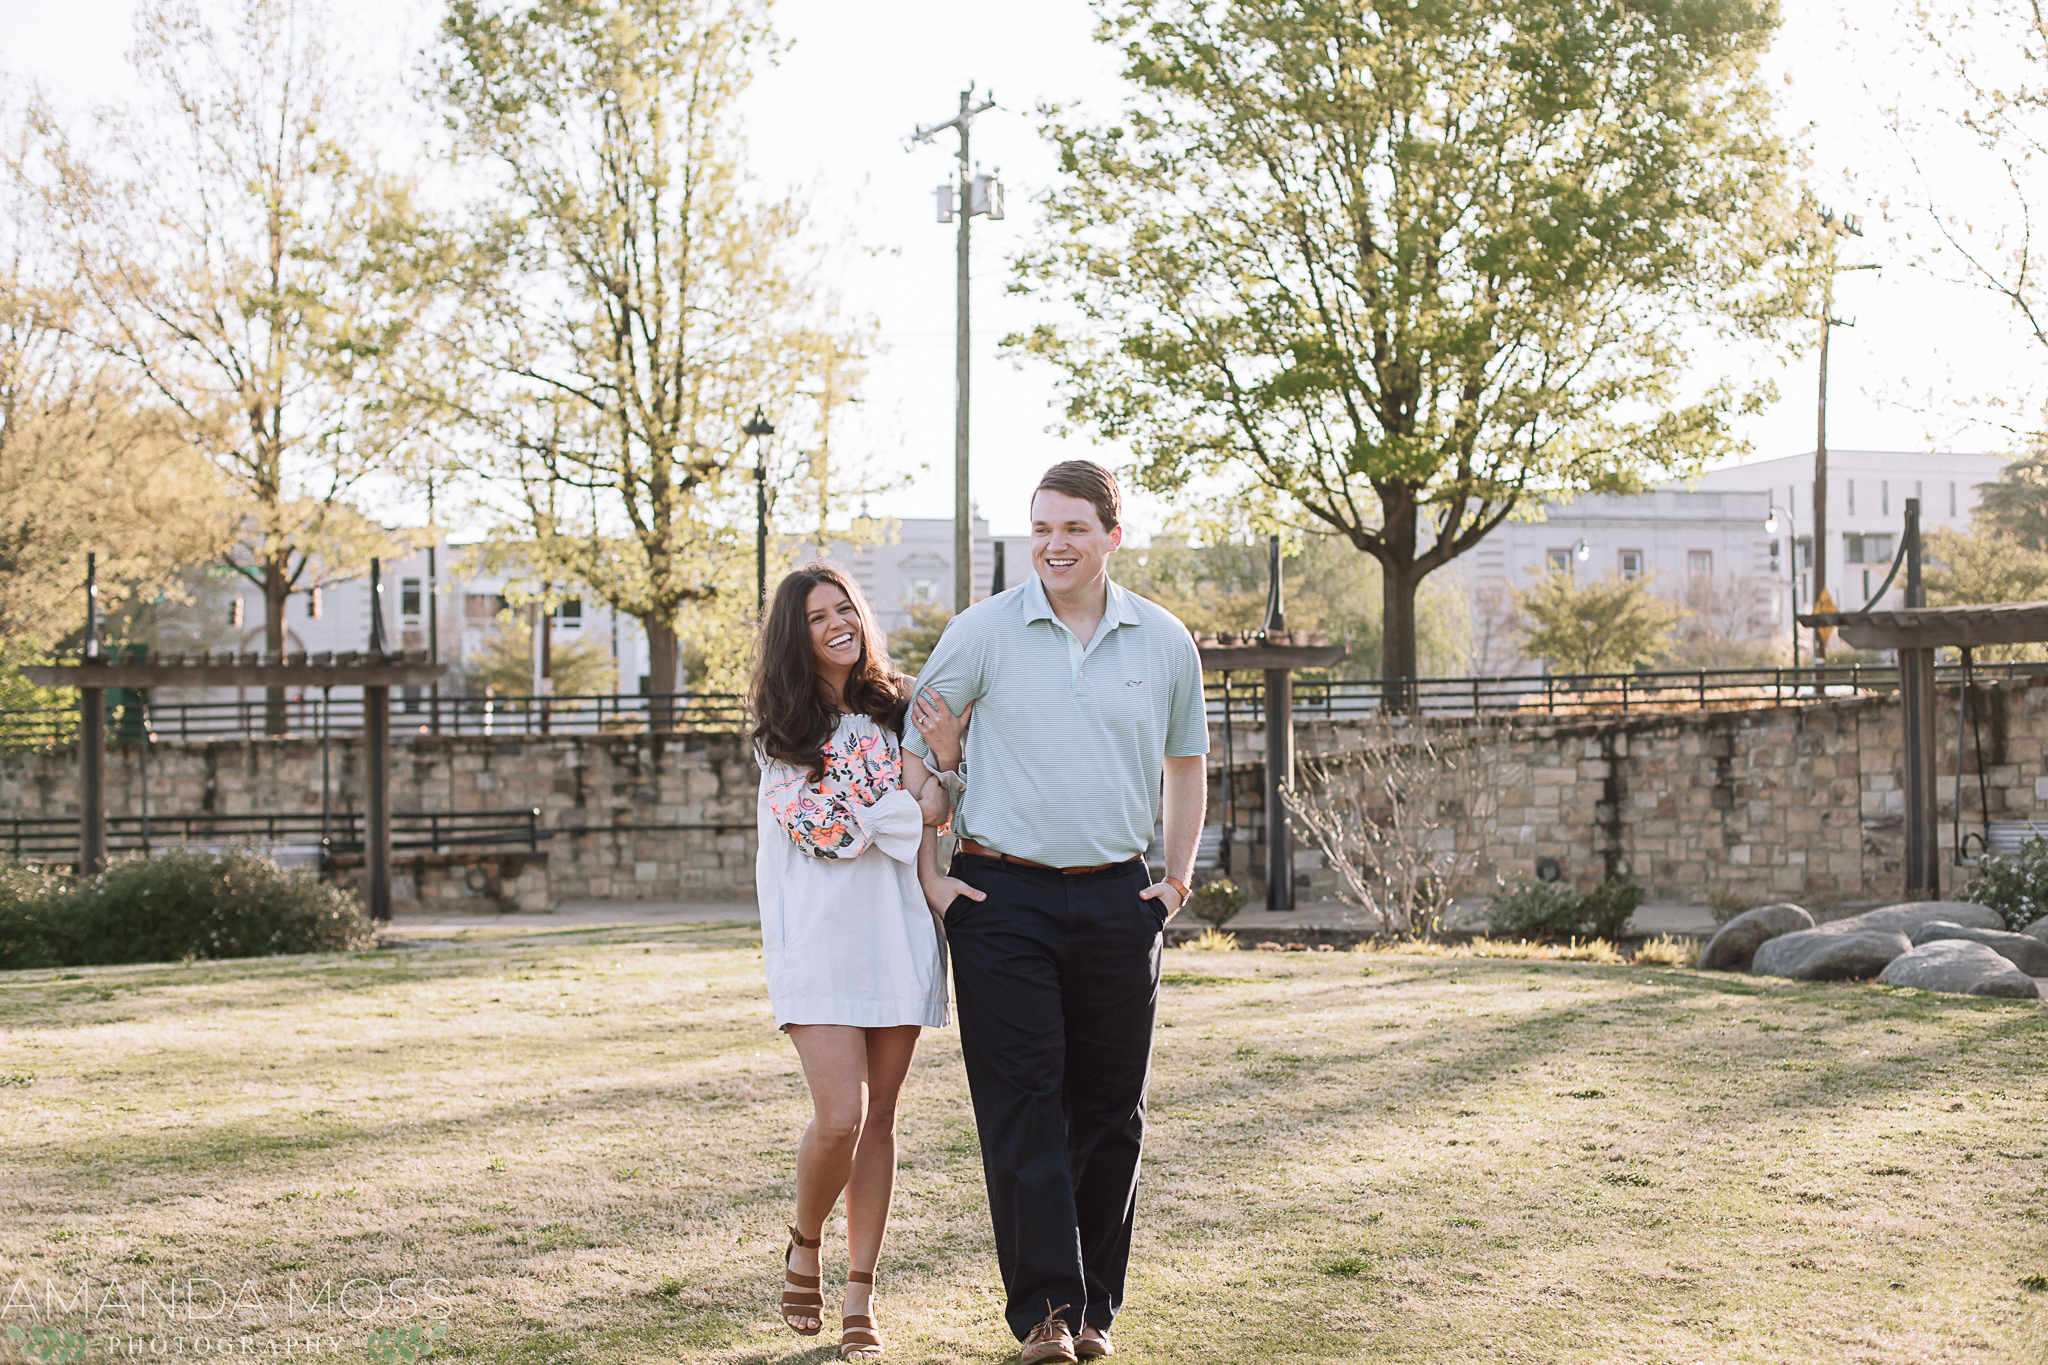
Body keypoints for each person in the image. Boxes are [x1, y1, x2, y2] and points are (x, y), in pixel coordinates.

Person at [904, 460, 1209, 1364]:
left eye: (1073, 527)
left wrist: (1176, 881)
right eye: (1040, 527)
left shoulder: (1163, 640)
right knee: (1024, 1102)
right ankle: (1044, 1313)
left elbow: (1186, 765)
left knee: (1112, 1111)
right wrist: (931, 874)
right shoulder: (982, 632)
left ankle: (1094, 1312)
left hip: (1122, 897)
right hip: (1004, 898)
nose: (1053, 544)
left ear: (1113, 535)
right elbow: (915, 760)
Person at [750, 561, 964, 1361]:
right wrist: (910, 802)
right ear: (793, 637)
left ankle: (859, 1295)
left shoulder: (899, 707)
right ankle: (804, 1239)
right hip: (819, 939)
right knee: (838, 1114)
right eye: (817, 616)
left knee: (882, 1118)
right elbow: (826, 834)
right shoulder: (781, 731)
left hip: (899, 931)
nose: (839, 623)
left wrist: (917, 791)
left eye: (846, 608)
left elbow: (947, 796)